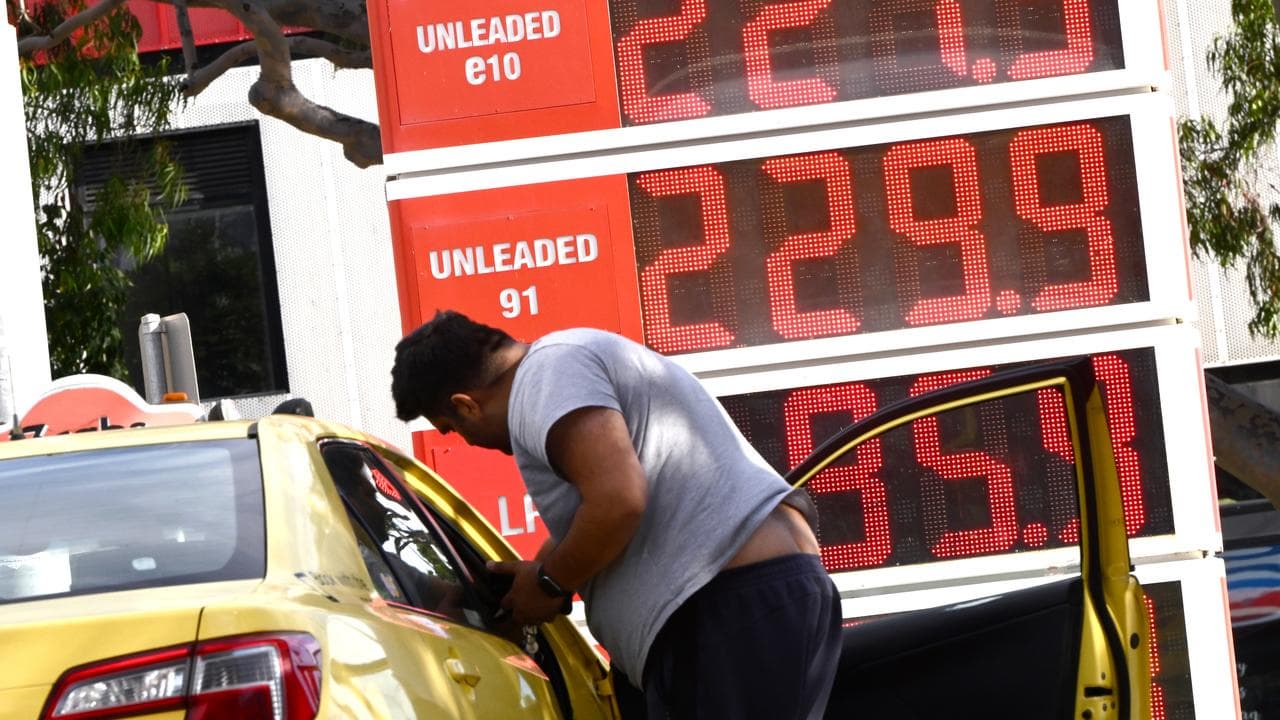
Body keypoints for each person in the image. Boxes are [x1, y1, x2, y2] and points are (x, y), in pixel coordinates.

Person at [391, 310, 841, 719]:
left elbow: (618, 500)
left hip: (728, 610)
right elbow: (599, 509)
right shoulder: (566, 362)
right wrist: (524, 587)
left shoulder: (547, 377)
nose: (466, 441)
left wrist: (550, 583)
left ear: (465, 403)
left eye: (454, 427)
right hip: (751, 603)